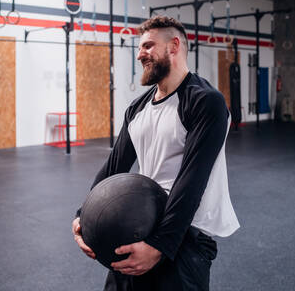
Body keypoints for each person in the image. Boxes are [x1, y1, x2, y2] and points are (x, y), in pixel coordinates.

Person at [72, 15, 240, 291]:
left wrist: (160, 245)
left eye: (148, 46)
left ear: (174, 46)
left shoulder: (204, 101)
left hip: (184, 238)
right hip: (138, 225)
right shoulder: (137, 109)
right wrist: (84, 217)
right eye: (140, 48)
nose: (140, 55)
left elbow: (192, 181)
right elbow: (113, 167)